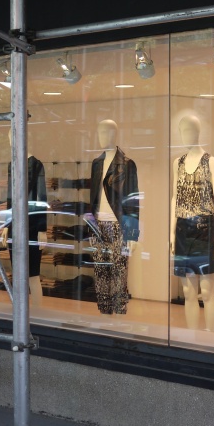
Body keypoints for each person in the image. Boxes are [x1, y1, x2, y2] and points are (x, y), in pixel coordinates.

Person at [170, 114, 214, 331]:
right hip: (182, 229)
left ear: (198, 132)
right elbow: (175, 198)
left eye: (189, 130)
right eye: (182, 131)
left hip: (205, 229)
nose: (185, 136)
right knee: (188, 291)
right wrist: (172, 233)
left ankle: (210, 337)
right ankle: (191, 338)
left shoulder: (211, 162)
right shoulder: (178, 163)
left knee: (207, 291)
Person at [85, 119, 139, 315]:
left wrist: (132, 234)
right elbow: (93, 197)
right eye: (99, 132)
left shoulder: (126, 164)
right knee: (101, 272)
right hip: (98, 225)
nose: (101, 136)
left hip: (118, 225)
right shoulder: (96, 164)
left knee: (119, 272)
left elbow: (133, 200)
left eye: (105, 132)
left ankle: (119, 314)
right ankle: (104, 313)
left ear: (114, 135)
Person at [5, 128, 47, 305]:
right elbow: (10, 197)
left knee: (32, 275)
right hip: (15, 227)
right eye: (9, 138)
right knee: (18, 274)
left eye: (12, 137)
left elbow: (42, 198)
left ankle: (38, 312)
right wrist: (6, 225)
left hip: (32, 227)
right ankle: (20, 312)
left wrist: (42, 229)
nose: (10, 142)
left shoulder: (36, 165)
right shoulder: (12, 164)